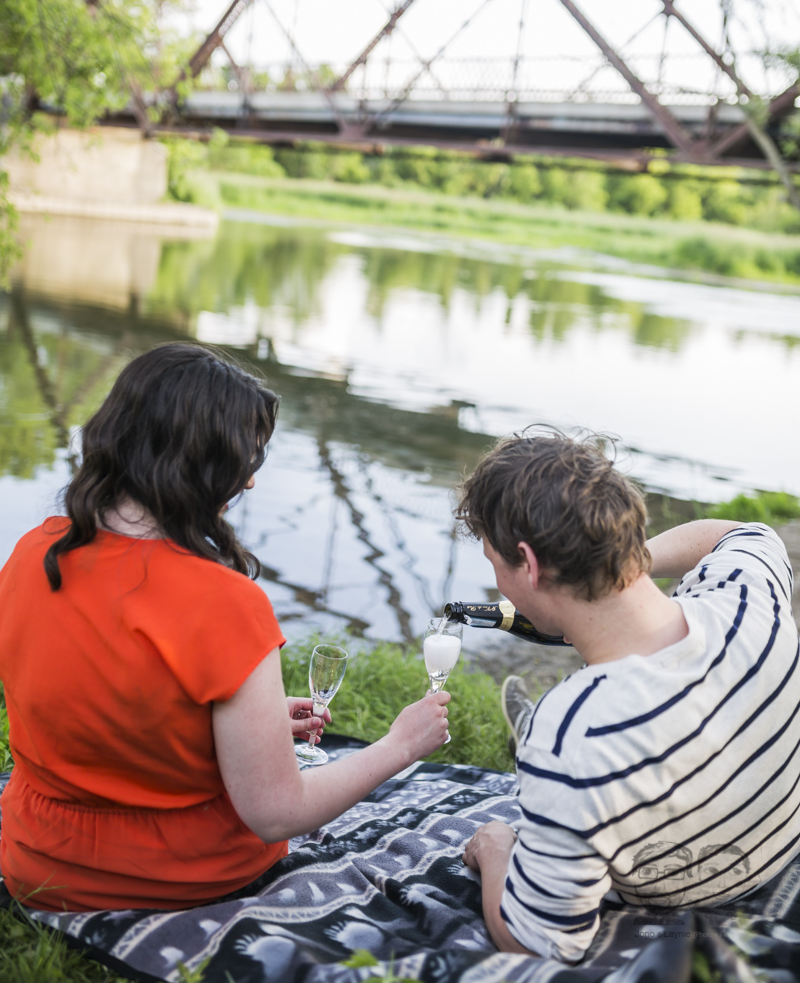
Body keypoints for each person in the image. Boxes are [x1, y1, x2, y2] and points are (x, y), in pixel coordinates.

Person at [0, 343, 449, 911]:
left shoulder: (31, 553)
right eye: (246, 461)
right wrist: (400, 745)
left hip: (38, 863)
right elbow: (275, 814)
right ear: (202, 465)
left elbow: (94, 698)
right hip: (176, 877)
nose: (251, 483)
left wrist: (242, 724)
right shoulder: (225, 602)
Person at [456, 430, 798, 963]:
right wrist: (626, 564)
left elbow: (535, 940)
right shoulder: (752, 595)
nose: (497, 583)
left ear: (530, 562)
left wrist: (496, 849)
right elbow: (742, 532)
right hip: (777, 852)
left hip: (687, 891)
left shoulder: (573, 734)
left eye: (495, 563)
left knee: (557, 769)